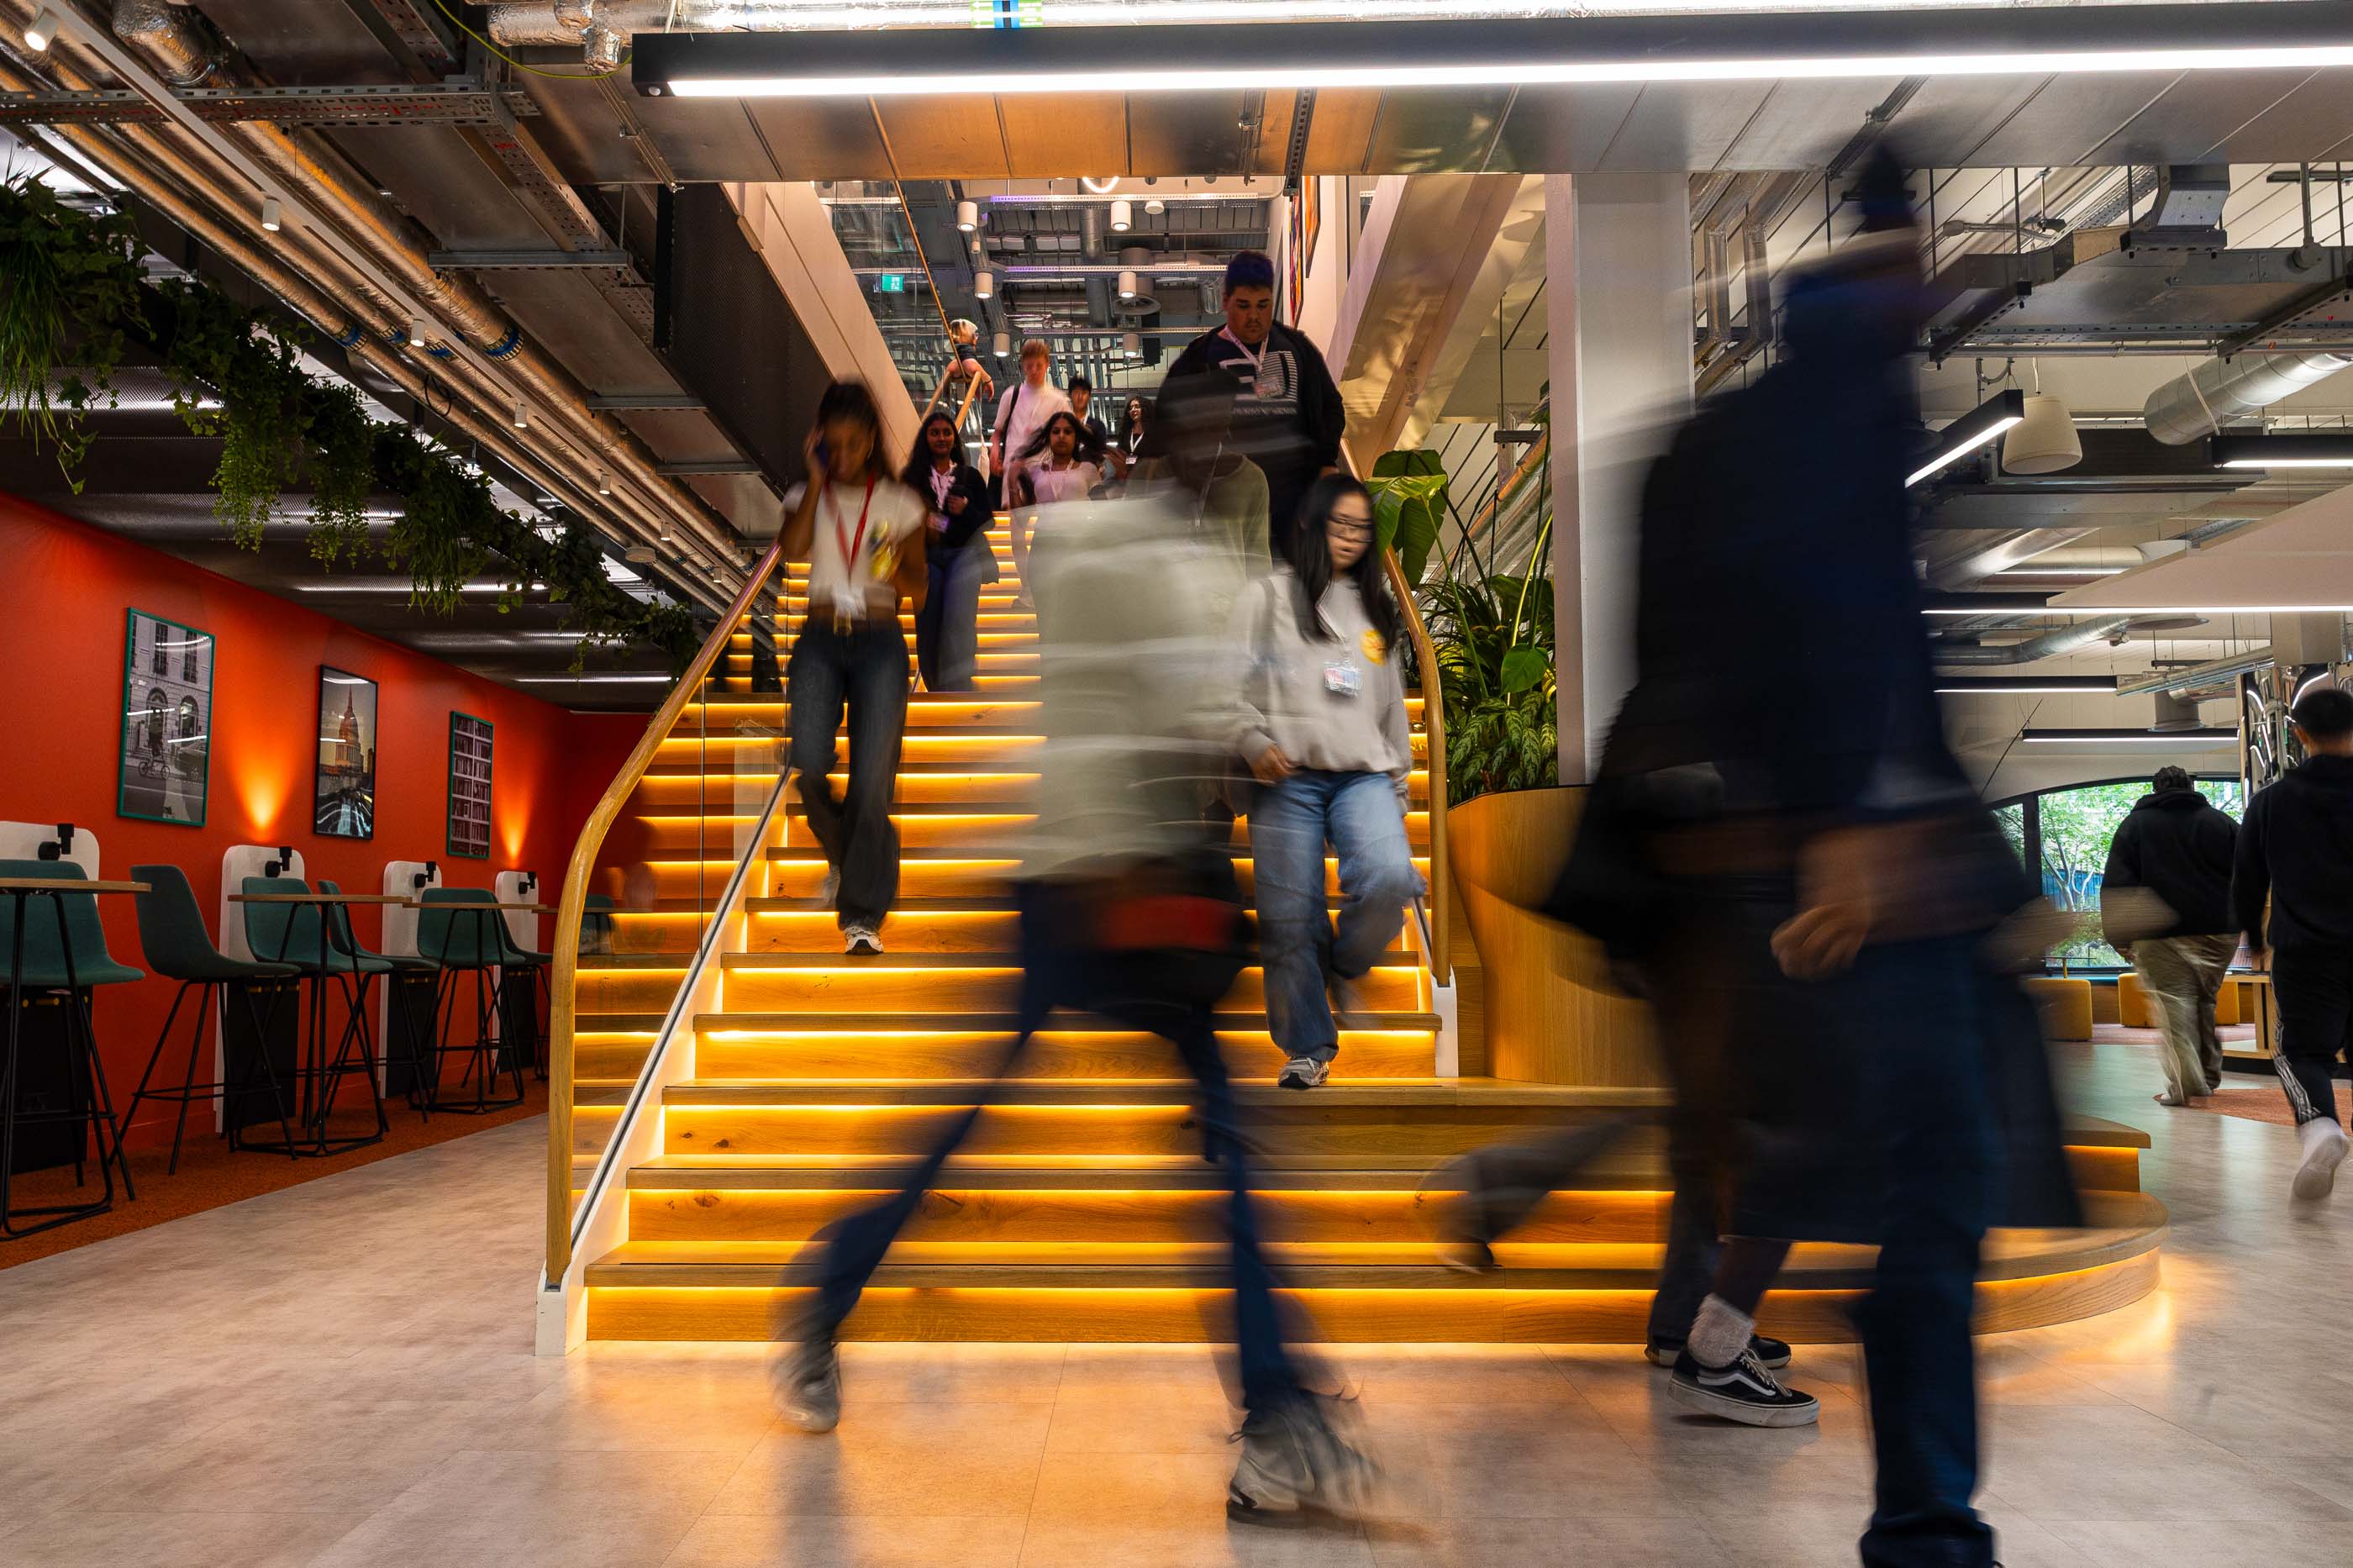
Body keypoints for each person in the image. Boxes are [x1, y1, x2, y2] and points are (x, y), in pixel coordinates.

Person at [776, 481, 1379, 1520]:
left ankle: (826, 1293)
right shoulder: (1176, 561)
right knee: (1218, 1150)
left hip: (1073, 873)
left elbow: (1110, 690)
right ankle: (1277, 1411)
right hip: (1119, 880)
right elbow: (1177, 701)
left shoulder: (1086, 543)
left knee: (978, 1114)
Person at [1228, 473, 1422, 1091]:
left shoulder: (1375, 613)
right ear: (1310, 523)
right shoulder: (1266, 596)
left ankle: (1342, 962)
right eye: (1341, 524)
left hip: (1363, 778)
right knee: (1290, 919)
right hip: (1287, 779)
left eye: (1362, 528)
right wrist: (1252, 741)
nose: (1352, 537)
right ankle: (1307, 1047)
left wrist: (1397, 790)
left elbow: (1391, 714)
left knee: (1394, 878)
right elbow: (1222, 685)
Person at [780, 381, 929, 956]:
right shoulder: (806, 494)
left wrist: (889, 565)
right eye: (830, 445)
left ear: (870, 442)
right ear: (818, 442)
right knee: (809, 765)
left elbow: (918, 589)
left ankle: (862, 917)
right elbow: (793, 549)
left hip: (879, 644)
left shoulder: (901, 503)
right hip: (819, 640)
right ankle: (852, 860)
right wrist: (815, 482)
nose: (840, 456)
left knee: (872, 785)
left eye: (850, 445)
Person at [2231, 685, 2353, 1201]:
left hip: (2305, 948)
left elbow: (2247, 878)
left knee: (2301, 1051)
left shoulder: (2272, 801)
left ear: (2299, 735)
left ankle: (2321, 1127)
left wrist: (2253, 938)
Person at [1166, 250, 1346, 558]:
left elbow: (1331, 407)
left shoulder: (1298, 347)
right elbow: (1171, 424)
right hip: (1232, 508)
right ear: (1225, 301)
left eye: (1263, 306)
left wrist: (1328, 464)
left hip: (1298, 507)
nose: (1254, 317)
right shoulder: (1200, 356)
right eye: (1243, 306)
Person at [2102, 766, 2240, 1106]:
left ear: (2155, 788)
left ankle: (2185, 1086)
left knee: (2174, 1006)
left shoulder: (2135, 826)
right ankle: (2207, 1076)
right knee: (2204, 1002)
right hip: (2220, 930)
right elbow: (2249, 871)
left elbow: (2118, 884)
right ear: (2192, 787)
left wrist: (2119, 938)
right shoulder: (2220, 823)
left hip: (2161, 932)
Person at [903, 409, 997, 693]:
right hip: (927, 557)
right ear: (926, 438)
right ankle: (936, 686)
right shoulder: (913, 478)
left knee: (960, 617)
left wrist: (966, 510)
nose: (942, 438)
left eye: (946, 433)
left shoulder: (969, 476)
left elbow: (988, 520)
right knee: (928, 620)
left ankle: (960, 684)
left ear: (954, 439)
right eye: (935, 432)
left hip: (964, 553)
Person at [1008, 410, 1102, 601]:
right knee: (1045, 610)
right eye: (1056, 431)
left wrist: (1120, 477)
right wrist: (1012, 486)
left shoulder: (1088, 470)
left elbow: (1104, 512)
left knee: (1078, 608)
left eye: (1068, 432)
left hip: (1079, 545)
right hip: (1043, 547)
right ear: (1049, 437)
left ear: (1076, 437)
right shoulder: (1035, 472)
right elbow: (1023, 519)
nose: (1061, 436)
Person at [987, 337, 1068, 504]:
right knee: (1014, 517)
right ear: (1023, 365)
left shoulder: (1058, 400)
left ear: (1047, 364)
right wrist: (994, 452)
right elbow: (997, 433)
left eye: (1039, 365)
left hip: (1044, 468)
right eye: (1030, 365)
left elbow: (1068, 436)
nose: (1034, 370)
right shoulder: (1011, 394)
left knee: (1042, 519)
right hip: (1013, 466)